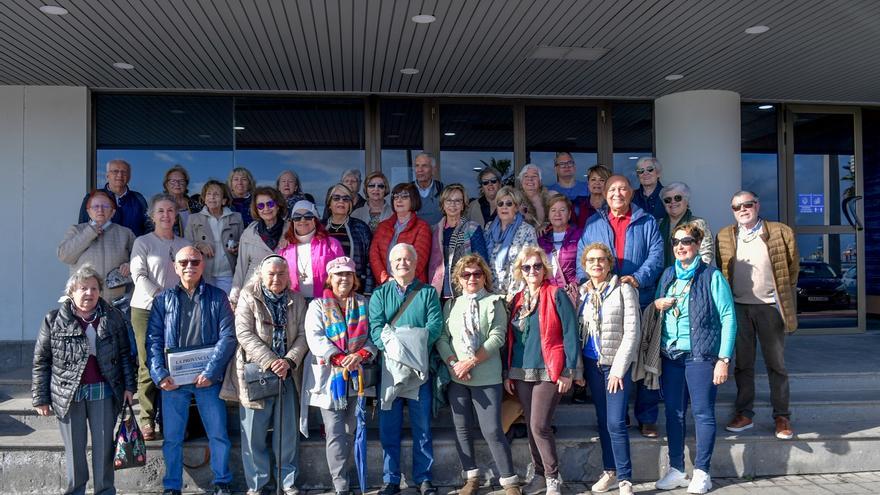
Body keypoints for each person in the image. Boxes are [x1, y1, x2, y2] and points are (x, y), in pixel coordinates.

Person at [32, 265, 137, 495]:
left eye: (93, 288)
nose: (88, 293)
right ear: (71, 291)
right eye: (82, 288)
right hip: (68, 394)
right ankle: (76, 491)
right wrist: (41, 397)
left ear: (100, 291)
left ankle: (105, 490)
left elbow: (125, 355)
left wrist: (130, 386)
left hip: (103, 391)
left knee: (103, 448)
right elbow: (42, 361)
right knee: (74, 450)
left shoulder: (113, 317)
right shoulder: (53, 319)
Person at [577, 174, 663, 437]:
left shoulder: (646, 221)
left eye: (622, 189)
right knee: (613, 355)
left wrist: (637, 279)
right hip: (606, 302)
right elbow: (584, 255)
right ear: (604, 194)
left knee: (646, 355)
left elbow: (657, 255)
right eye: (612, 189)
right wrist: (589, 285)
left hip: (642, 296)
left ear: (631, 193)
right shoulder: (594, 223)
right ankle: (618, 415)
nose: (617, 193)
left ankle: (647, 416)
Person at [146, 246, 237, 495]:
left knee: (218, 434)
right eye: (184, 262)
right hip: (173, 382)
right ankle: (172, 486)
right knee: (173, 438)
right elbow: (152, 340)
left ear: (203, 265)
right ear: (175, 266)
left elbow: (228, 337)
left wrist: (211, 371)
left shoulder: (218, 297)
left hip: (208, 380)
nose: (190, 266)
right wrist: (159, 374)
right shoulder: (163, 300)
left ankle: (222, 482)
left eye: (195, 261)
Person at [653, 223, 736, 494]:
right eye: (676, 242)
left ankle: (702, 472)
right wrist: (656, 304)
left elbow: (728, 317)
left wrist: (723, 359)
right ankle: (677, 469)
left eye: (686, 241)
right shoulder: (668, 275)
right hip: (671, 355)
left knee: (702, 413)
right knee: (674, 413)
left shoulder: (712, 276)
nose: (680, 246)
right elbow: (656, 310)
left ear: (698, 245)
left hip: (700, 356)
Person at [220, 255, 308, 495]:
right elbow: (244, 334)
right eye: (271, 273)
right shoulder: (249, 296)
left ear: (288, 276)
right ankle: (257, 484)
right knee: (253, 433)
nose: (276, 278)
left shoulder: (297, 299)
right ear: (261, 275)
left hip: (287, 373)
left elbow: (303, 334)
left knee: (287, 431)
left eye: (281, 273)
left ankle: (287, 481)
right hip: (255, 373)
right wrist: (271, 361)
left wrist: (289, 360)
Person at [716, 191, 799, 440]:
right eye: (736, 206)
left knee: (776, 364)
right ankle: (745, 413)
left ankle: (781, 416)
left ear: (757, 205)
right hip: (739, 307)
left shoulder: (780, 231)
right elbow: (722, 269)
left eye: (747, 204)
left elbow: (792, 268)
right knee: (743, 364)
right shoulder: (725, 235)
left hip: (769, 307)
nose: (742, 209)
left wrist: (777, 293)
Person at [436, 255, 521, 495]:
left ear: (484, 276)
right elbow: (442, 338)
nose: (472, 278)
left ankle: (510, 481)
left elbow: (498, 336)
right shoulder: (451, 305)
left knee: (492, 429)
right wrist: (454, 363)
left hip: (486, 375)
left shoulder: (495, 302)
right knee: (462, 428)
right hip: (457, 377)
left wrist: (470, 362)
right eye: (466, 274)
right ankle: (471, 478)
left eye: (477, 274)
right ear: (458, 279)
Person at [503, 246, 579, 495]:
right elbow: (511, 338)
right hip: (521, 370)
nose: (532, 270)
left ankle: (552, 477)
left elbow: (570, 332)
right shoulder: (517, 300)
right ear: (520, 272)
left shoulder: (556, 294)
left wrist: (569, 370)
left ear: (544, 269)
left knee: (539, 425)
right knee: (531, 426)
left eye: (537, 266)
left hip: (550, 368)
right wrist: (507, 372)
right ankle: (538, 475)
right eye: (527, 267)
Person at [369, 243, 443, 495]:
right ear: (391, 264)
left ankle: (423, 478)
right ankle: (391, 479)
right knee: (389, 427)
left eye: (407, 259)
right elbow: (376, 329)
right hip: (390, 370)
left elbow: (434, 327)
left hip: (419, 370)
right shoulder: (380, 294)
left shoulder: (428, 293)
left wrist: (409, 351)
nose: (403, 263)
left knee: (422, 426)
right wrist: (398, 351)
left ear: (416, 262)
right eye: (398, 259)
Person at [300, 256, 377, 495]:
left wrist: (361, 354)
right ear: (329, 278)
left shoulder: (365, 303)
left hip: (357, 375)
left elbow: (374, 336)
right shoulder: (317, 305)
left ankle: (353, 474)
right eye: (338, 274)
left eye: (347, 274)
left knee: (351, 429)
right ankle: (340, 484)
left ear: (354, 278)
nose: (343, 278)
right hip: (331, 377)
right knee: (334, 431)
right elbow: (315, 337)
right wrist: (340, 357)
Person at [578, 243, 640, 495]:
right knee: (603, 421)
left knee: (616, 422)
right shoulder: (583, 292)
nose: (596, 264)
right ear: (584, 265)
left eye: (601, 259)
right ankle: (610, 472)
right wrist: (578, 368)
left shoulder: (624, 289)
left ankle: (625, 479)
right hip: (592, 364)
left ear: (609, 263)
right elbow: (580, 334)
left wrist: (618, 369)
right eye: (591, 260)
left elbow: (632, 332)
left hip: (615, 367)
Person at [129, 193, 192, 440]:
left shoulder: (184, 243)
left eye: (170, 211)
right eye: (161, 211)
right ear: (152, 215)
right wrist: (160, 296)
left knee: (174, 363)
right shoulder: (142, 242)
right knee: (148, 362)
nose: (166, 215)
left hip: (178, 310)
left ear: (176, 215)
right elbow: (139, 275)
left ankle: (171, 420)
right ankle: (146, 419)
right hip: (146, 309)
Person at [59, 190, 135, 302]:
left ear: (112, 212)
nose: (100, 209)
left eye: (105, 206)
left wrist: (130, 265)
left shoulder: (125, 233)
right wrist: (89, 232)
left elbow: (142, 259)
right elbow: (64, 256)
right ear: (88, 211)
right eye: (95, 206)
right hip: (83, 300)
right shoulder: (76, 230)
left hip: (116, 301)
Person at [428, 184, 488, 301]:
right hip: (438, 292)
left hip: (465, 291)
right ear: (443, 204)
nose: (453, 204)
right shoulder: (435, 230)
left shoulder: (472, 228)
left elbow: (482, 262)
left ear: (463, 205)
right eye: (449, 200)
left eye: (457, 201)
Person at [231, 186, 289, 306]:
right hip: (252, 294)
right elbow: (241, 268)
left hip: (281, 293)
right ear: (256, 210)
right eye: (260, 206)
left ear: (278, 206)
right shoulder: (249, 233)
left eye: (270, 204)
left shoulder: (290, 230)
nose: (266, 209)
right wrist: (234, 297)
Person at [185, 180, 244, 295]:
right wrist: (199, 245)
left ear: (224, 200)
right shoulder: (194, 218)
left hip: (228, 274)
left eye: (216, 194)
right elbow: (186, 243)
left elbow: (243, 242)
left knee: (227, 308)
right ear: (204, 198)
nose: (212, 197)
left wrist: (237, 246)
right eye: (209, 194)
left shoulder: (236, 217)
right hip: (204, 272)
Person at [279, 201, 344, 299]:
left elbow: (343, 275)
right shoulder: (285, 248)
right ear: (292, 222)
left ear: (315, 220)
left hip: (325, 303)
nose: (302, 220)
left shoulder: (332, 244)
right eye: (297, 217)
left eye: (308, 216)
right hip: (294, 305)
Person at [369, 183, 432, 285]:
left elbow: (419, 260)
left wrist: (401, 282)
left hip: (413, 287)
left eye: (404, 196)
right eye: (396, 197)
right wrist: (386, 280)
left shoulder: (422, 227)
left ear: (413, 199)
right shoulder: (382, 226)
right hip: (385, 286)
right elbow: (374, 256)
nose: (399, 200)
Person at [485, 186, 538, 297]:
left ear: (516, 207)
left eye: (509, 204)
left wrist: (515, 295)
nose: (504, 207)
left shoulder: (527, 230)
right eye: (500, 204)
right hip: (489, 293)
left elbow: (530, 265)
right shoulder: (488, 228)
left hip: (515, 294)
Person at [323, 183, 375, 294]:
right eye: (336, 198)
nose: (341, 201)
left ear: (350, 205)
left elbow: (370, 262)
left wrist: (368, 291)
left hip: (355, 288)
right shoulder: (319, 228)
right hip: (324, 289)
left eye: (346, 199)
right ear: (329, 204)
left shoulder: (361, 228)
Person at [78, 159, 148, 236]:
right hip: (104, 247)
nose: (120, 175)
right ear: (107, 175)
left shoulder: (138, 198)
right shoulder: (92, 197)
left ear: (129, 177)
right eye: (115, 171)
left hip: (133, 247)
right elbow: (82, 227)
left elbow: (149, 227)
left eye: (124, 172)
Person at [658, 182, 713, 267]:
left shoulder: (698, 223)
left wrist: (694, 275)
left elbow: (706, 254)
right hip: (664, 277)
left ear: (686, 201)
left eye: (677, 198)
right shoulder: (658, 224)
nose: (673, 202)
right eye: (668, 200)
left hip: (692, 277)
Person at [537, 193, 581, 291]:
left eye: (562, 210)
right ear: (548, 215)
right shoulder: (541, 239)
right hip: (548, 292)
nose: (557, 214)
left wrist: (577, 284)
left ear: (569, 214)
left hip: (570, 291)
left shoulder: (579, 235)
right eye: (553, 210)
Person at [162, 164, 202, 235]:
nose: (177, 184)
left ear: (186, 184)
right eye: (173, 181)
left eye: (181, 181)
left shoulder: (197, 204)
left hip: (197, 245)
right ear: (166, 185)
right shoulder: (159, 206)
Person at [572, 164, 611, 229]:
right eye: (593, 179)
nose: (597, 183)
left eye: (601, 180)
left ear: (608, 183)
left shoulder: (613, 206)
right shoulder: (578, 204)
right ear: (588, 183)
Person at [411, 153, 445, 225]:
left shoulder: (443, 190)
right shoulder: (407, 191)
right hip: (414, 235)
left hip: (437, 235)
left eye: (424, 166)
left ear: (433, 170)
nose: (420, 170)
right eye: (417, 166)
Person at [518, 164, 551, 229]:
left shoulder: (551, 197)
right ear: (521, 182)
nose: (530, 179)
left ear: (540, 181)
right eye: (526, 176)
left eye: (534, 176)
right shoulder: (514, 201)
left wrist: (548, 226)